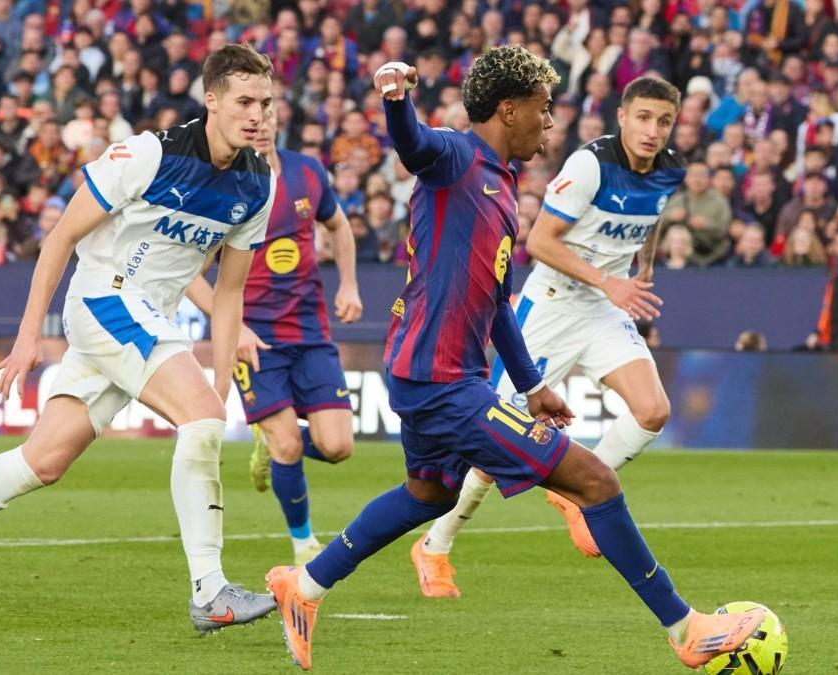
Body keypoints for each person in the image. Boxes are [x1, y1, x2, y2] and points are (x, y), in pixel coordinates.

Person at [264, 47, 764, 672]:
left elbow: (499, 302)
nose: (550, 123)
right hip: (440, 380)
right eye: (543, 109)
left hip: (436, 371)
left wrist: (531, 387)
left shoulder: (503, 180)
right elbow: (414, 143)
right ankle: (686, 628)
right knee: (595, 482)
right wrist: (395, 97)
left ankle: (304, 585)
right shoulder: (456, 156)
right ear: (508, 110)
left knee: (429, 492)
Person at [0, 45, 280, 632]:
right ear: (210, 101)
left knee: (41, 462)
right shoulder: (148, 154)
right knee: (201, 419)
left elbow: (230, 291)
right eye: (244, 101)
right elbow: (58, 239)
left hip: (147, 317)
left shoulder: (258, 185)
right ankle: (210, 590)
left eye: (265, 102)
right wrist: (29, 335)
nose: (257, 114)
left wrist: (219, 380)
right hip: (105, 298)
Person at [415, 73, 687, 585]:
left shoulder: (670, 170)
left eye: (665, 121)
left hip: (605, 308)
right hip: (555, 306)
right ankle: (434, 545)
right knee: (493, 449)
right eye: (645, 118)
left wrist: (642, 271)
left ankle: (572, 494)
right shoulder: (591, 165)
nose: (653, 130)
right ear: (623, 117)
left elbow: (649, 222)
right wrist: (610, 282)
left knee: (654, 410)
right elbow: (540, 242)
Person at [185, 104, 363, 566]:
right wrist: (234, 325)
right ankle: (304, 544)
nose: (260, 125)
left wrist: (348, 283)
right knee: (288, 443)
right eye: (251, 116)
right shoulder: (223, 187)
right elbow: (190, 275)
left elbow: (339, 226)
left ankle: (272, 444)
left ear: (277, 121)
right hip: (254, 336)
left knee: (338, 446)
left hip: (309, 329)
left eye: (267, 116)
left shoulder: (307, 172)